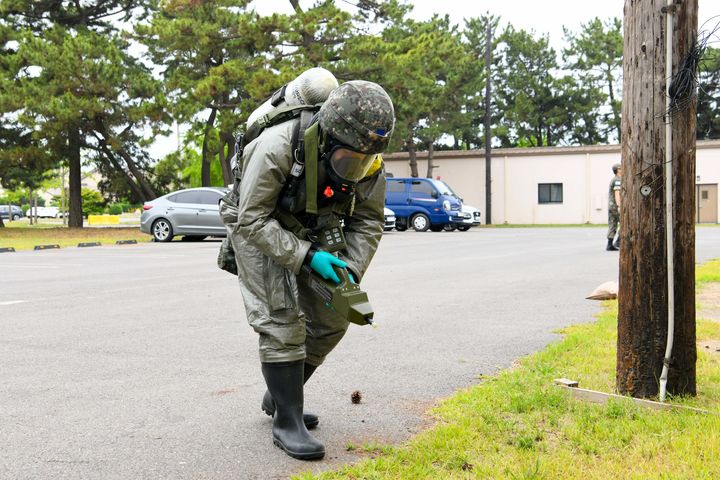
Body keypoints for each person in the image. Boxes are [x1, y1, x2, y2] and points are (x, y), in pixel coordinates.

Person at [228, 80, 394, 460]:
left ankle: (281, 395)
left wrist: (351, 267)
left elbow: (369, 221)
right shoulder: (278, 146)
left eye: (365, 162)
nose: (357, 171)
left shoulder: (368, 159)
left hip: (309, 225)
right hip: (255, 223)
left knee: (335, 315)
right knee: (281, 318)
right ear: (327, 138)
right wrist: (306, 256)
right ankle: (287, 422)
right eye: (348, 161)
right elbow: (252, 219)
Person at [607, 163, 622, 251]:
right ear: (618, 170)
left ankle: (609, 244)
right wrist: (619, 205)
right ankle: (618, 241)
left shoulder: (614, 179)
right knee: (624, 223)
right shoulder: (618, 180)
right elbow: (617, 194)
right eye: (621, 168)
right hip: (616, 206)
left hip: (611, 206)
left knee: (612, 224)